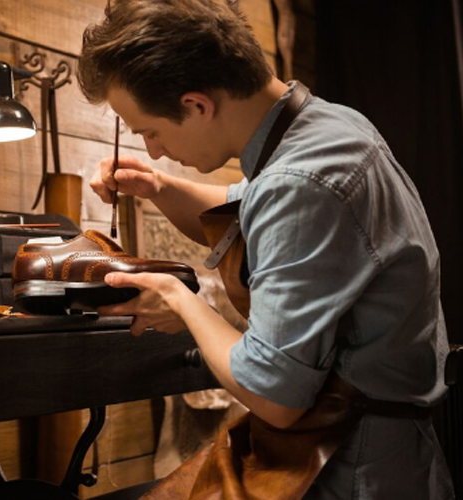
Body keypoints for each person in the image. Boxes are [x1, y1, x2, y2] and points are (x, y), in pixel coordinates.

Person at [78, 0, 454, 498]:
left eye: (150, 132)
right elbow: (245, 207)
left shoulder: (300, 182)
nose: (153, 150)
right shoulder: (328, 129)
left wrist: (181, 299)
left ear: (196, 105)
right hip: (377, 449)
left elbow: (273, 395)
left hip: (351, 470)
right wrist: (158, 187)